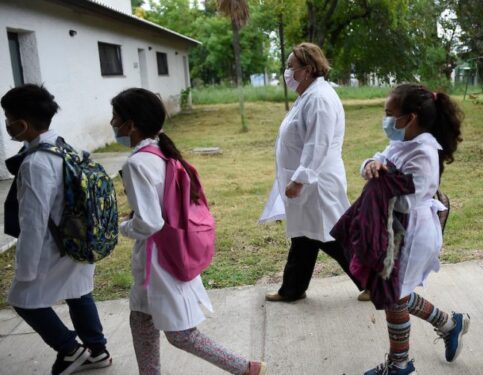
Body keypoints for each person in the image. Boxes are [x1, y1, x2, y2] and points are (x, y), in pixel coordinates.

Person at [112, 88, 265, 375]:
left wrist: (123, 227)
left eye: (115, 118)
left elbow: (149, 222)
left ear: (131, 123)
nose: (112, 124)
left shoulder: (137, 163)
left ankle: (246, 368)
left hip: (158, 263)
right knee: (141, 321)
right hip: (168, 255)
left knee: (181, 334)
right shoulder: (161, 152)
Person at [2, 84, 112, 375]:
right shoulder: (64, 146)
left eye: (7, 117)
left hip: (53, 246)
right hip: (79, 239)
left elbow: (33, 221)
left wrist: (25, 269)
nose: (6, 124)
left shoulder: (36, 163)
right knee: (79, 291)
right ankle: (97, 350)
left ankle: (70, 350)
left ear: (22, 124)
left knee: (22, 300)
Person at [361, 84, 468, 375]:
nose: (385, 120)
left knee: (393, 296)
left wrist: (380, 181)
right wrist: (370, 165)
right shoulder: (403, 142)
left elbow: (408, 200)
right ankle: (448, 324)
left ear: (411, 117)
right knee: (397, 293)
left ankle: (400, 365)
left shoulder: (424, 153)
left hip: (412, 232)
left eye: (389, 114)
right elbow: (378, 159)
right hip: (394, 229)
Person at [259, 42, 365, 302]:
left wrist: (300, 179)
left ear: (306, 70)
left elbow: (317, 143)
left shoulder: (319, 98)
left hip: (316, 182)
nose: (287, 72)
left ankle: (372, 282)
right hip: (309, 180)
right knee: (304, 236)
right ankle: (292, 289)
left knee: (330, 235)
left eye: (290, 67)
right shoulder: (307, 96)